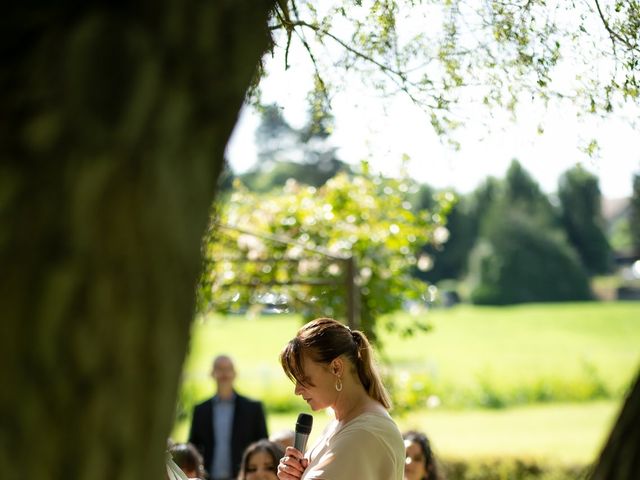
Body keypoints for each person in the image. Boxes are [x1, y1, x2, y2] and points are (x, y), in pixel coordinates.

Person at [276, 318, 405, 480]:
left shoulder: (364, 433)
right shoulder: (341, 423)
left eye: (303, 378)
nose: (297, 390)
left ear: (336, 368)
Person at [189, 354, 269, 480]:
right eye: (219, 369)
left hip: (242, 477)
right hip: (208, 477)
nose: (224, 373)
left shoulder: (253, 408)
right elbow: (192, 447)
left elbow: (263, 445)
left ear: (235, 373)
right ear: (212, 373)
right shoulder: (200, 410)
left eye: (228, 369)